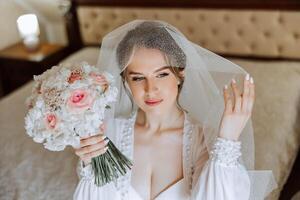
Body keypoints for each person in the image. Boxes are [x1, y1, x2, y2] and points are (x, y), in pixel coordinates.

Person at [73, 20, 276, 200]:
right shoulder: (107, 135)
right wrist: (90, 165)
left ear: (180, 75)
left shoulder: (206, 141)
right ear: (125, 80)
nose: (150, 89)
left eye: (161, 75)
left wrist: (228, 138)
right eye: (137, 77)